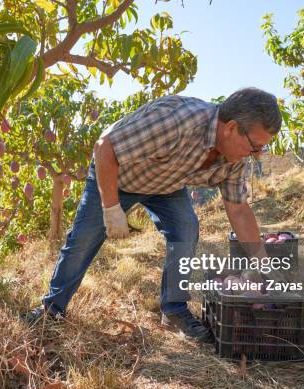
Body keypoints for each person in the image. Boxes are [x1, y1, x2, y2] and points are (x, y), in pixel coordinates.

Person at [23, 88, 282, 343]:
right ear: (231, 128)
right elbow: (105, 149)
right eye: (255, 146)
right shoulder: (178, 121)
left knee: (186, 229)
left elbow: (238, 209)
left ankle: (173, 310)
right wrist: (111, 208)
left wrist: (261, 262)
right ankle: (51, 310)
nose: (258, 155)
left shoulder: (236, 158)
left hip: (165, 185)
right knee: (83, 239)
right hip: (117, 174)